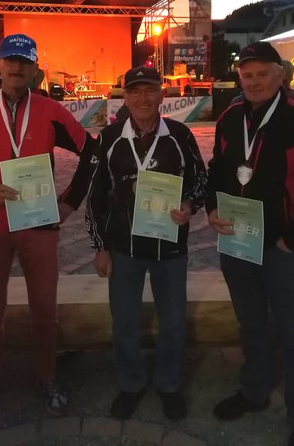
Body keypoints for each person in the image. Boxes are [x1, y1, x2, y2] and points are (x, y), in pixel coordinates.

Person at [0, 33, 98, 430]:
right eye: (10, 60)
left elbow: (93, 154)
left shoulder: (50, 111)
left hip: (40, 225)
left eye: (24, 62)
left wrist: (69, 202)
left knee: (45, 311)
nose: (16, 67)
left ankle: (46, 378)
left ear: (34, 69)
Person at [205, 42, 294, 446]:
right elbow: (218, 170)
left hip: (282, 248)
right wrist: (212, 207)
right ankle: (255, 392)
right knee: (252, 325)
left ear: (280, 74)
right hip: (239, 244)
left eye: (263, 74)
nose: (255, 81)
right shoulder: (230, 119)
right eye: (248, 75)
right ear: (239, 79)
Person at [86, 66, 207, 422]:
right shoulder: (108, 138)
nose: (143, 98)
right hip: (124, 249)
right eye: (135, 92)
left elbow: (201, 180)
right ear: (124, 97)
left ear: (162, 95)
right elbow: (95, 198)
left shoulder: (180, 135)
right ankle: (131, 384)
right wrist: (100, 247)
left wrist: (188, 205)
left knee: (172, 322)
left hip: (170, 248)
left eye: (150, 91)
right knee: (124, 321)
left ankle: (168, 384)